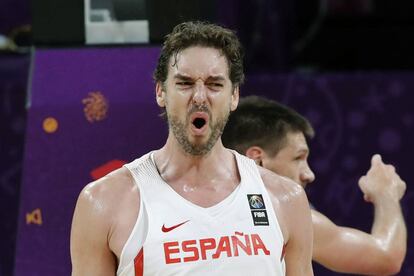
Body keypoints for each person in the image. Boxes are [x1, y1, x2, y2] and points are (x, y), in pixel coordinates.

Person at [70, 22, 314, 275]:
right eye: (185, 83)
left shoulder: (285, 199)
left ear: (234, 96)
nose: (199, 97)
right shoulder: (104, 202)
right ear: (160, 92)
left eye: (215, 84)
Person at [222, 95, 407, 275]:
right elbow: (387, 256)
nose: (309, 174)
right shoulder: (285, 214)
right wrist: (386, 194)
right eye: (298, 158)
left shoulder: (199, 207)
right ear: (257, 160)